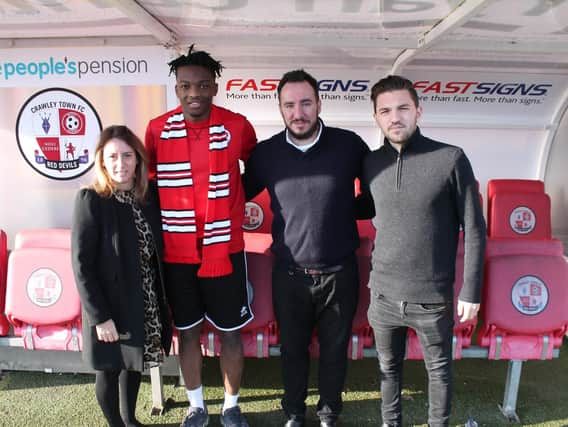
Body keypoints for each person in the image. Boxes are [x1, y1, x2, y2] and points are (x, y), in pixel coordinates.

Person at [243, 69, 371, 427]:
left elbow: (375, 197)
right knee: (292, 351)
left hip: (340, 272)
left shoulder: (349, 146)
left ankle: (329, 412)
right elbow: (235, 197)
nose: (298, 112)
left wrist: (345, 209)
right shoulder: (266, 154)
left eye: (305, 103)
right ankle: (294, 413)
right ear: (280, 109)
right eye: (289, 105)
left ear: (318, 103)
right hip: (289, 274)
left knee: (334, 351)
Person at [362, 75, 487, 427]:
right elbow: (362, 207)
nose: (394, 117)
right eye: (385, 110)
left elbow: (475, 227)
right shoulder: (371, 163)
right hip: (383, 295)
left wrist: (470, 289)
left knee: (439, 372)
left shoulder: (450, 159)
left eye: (403, 108)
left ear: (419, 110)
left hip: (432, 298)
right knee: (387, 369)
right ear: (376, 117)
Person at [144, 45, 257, 427]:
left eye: (202, 85)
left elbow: (256, 170)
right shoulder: (158, 129)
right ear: (176, 89)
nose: (194, 93)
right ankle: (196, 406)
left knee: (229, 334)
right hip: (177, 253)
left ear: (214, 87)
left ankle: (231, 406)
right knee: (187, 333)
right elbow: (150, 185)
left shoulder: (237, 125)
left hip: (225, 250)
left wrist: (242, 206)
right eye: (185, 86)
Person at [71, 125, 172, 427]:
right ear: (101, 160)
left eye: (128, 155)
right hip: (108, 306)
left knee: (134, 364)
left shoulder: (148, 196)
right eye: (112, 156)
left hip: (144, 300)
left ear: (138, 160)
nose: (121, 163)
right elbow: (81, 264)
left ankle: (131, 421)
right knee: (109, 368)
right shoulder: (91, 199)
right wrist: (99, 317)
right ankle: (116, 423)